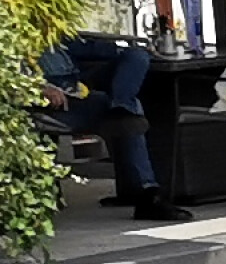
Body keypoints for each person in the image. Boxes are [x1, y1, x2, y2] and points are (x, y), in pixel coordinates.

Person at [39, 32, 188, 223]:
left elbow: (88, 47)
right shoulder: (11, 39)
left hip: (77, 90)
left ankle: (121, 107)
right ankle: (148, 194)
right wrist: (40, 87)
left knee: (136, 56)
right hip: (49, 103)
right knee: (131, 111)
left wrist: (127, 48)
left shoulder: (51, 31)